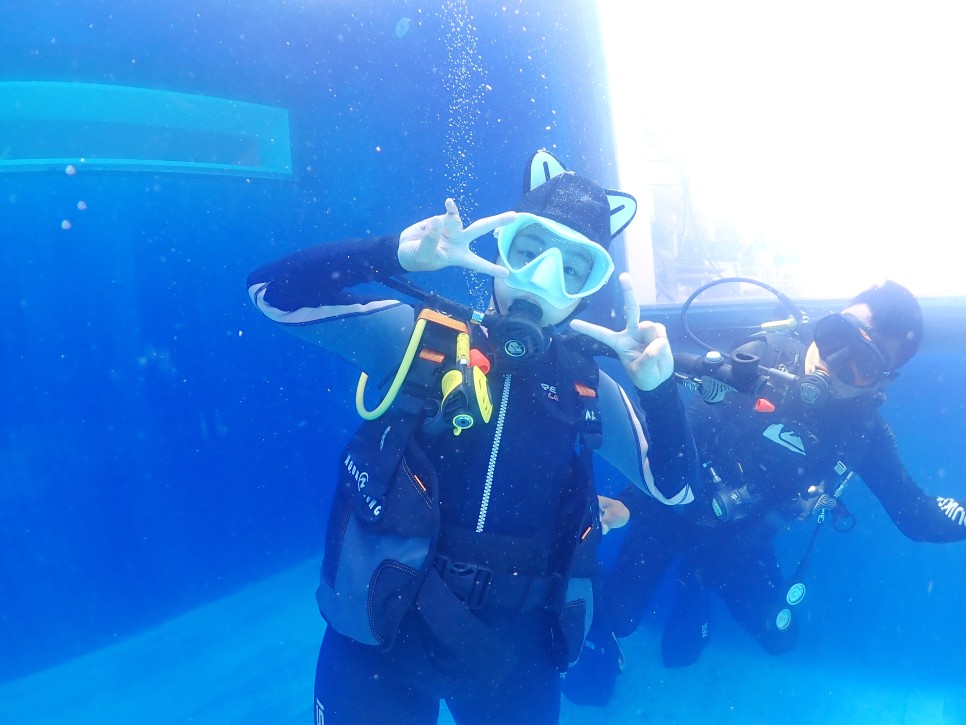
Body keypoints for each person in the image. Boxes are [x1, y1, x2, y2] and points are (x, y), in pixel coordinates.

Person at [246, 149, 697, 725]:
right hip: (380, 643)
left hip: (512, 660)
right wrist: (393, 253)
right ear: (499, 248)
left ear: (590, 290)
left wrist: (659, 392)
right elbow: (269, 292)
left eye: (574, 269)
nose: (542, 280)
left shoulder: (589, 387)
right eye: (528, 250)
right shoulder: (417, 341)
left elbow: (675, 489)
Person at [563, 279, 966, 706]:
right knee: (619, 620)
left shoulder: (861, 430)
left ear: (881, 382)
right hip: (670, 513)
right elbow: (685, 440)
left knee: (780, 639)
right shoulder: (764, 358)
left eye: (860, 366)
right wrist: (629, 503)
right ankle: (641, 591)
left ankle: (695, 580)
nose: (832, 364)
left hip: (741, 544)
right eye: (835, 340)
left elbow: (917, 515)